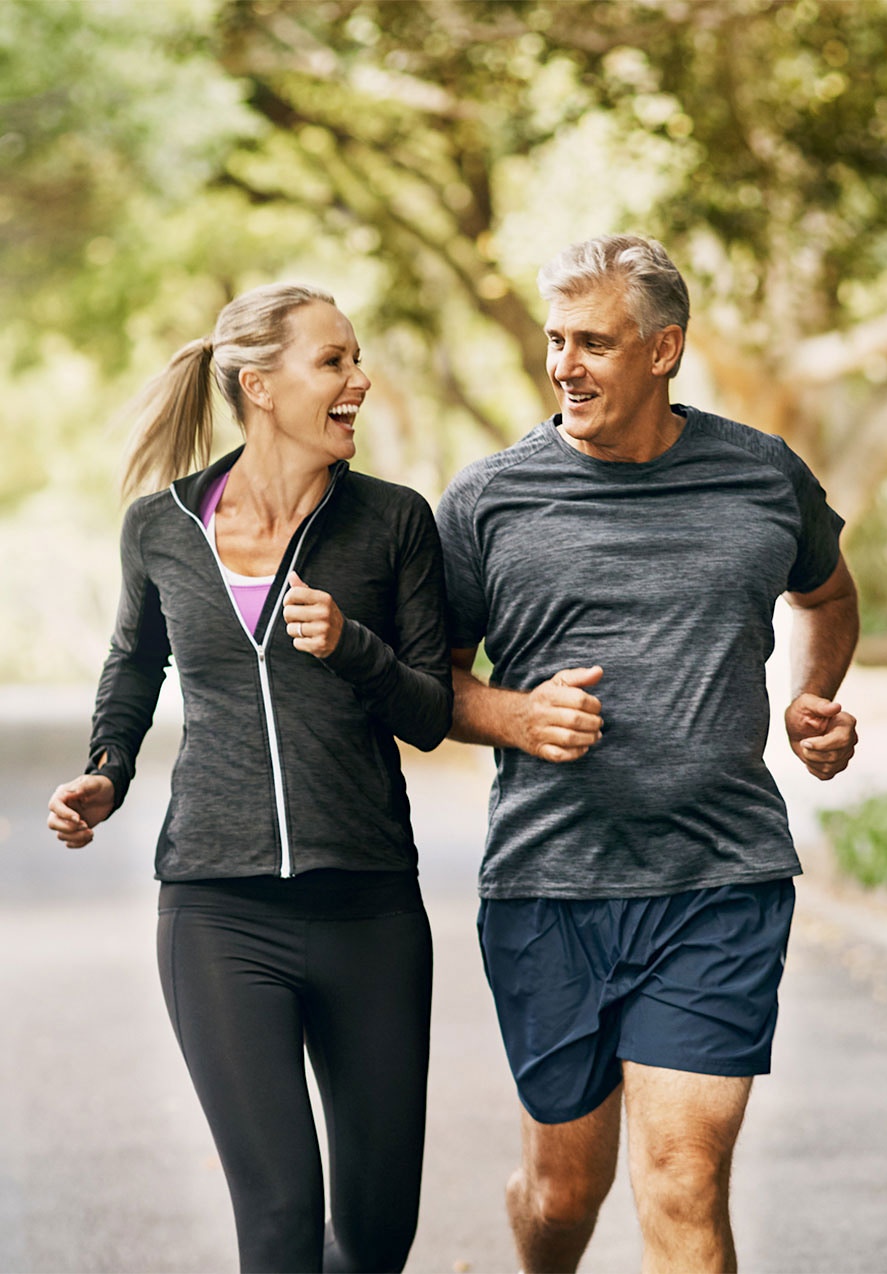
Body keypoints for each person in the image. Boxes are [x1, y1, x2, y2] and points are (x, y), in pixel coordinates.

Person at [435, 234, 859, 1274]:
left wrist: (815, 693)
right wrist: (514, 715)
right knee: (562, 1190)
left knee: (679, 1175)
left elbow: (828, 593)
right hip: (550, 884)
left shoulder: (761, 475)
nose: (564, 365)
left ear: (664, 349)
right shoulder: (489, 499)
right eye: (555, 340)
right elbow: (429, 682)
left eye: (594, 342)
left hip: (720, 878)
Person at [47, 282, 453, 1274]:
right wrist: (108, 770)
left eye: (356, 358)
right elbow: (133, 662)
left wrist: (353, 647)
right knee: (277, 1224)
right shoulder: (161, 527)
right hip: (218, 910)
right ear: (259, 385)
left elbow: (434, 710)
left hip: (369, 906)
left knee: (373, 1232)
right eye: (335, 362)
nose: (359, 380)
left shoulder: (394, 521)